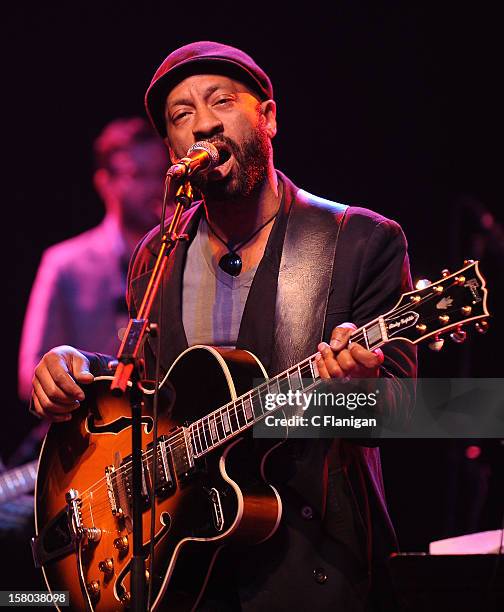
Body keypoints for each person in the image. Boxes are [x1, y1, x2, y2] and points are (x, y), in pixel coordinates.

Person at [31, 42, 417, 611]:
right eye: (181, 115)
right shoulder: (157, 254)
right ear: (171, 147)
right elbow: (152, 397)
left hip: (315, 575)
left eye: (222, 101)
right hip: (185, 576)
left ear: (268, 117)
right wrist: (79, 370)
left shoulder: (359, 241)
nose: (204, 123)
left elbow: (413, 412)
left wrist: (349, 396)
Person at [18, 117, 169, 401]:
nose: (156, 188)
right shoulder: (64, 263)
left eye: (160, 173)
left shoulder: (184, 252)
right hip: (96, 430)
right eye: (138, 175)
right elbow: (29, 374)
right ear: (105, 183)